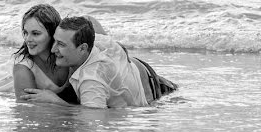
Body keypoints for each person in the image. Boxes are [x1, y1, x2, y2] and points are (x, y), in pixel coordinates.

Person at [21, 16, 177, 108]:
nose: (53, 49)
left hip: (152, 88)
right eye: (55, 41)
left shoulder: (91, 79)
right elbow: (90, 20)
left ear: (83, 48)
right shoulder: (91, 36)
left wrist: (55, 101)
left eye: (61, 44)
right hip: (135, 68)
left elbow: (92, 117)